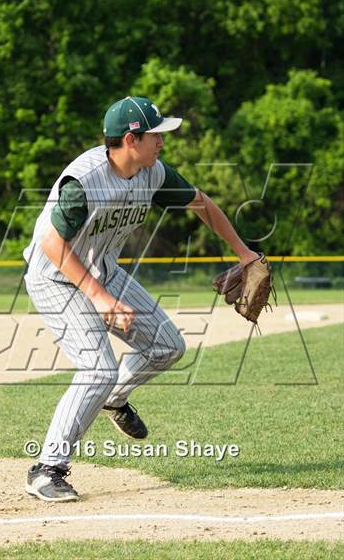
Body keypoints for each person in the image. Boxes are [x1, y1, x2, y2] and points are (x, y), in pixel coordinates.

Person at [23, 96, 258, 502]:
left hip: (104, 270)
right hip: (55, 277)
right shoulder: (86, 181)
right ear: (131, 139)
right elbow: (51, 244)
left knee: (168, 346)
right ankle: (47, 470)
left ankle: (115, 398)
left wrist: (244, 253)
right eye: (156, 135)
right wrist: (98, 297)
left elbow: (201, 203)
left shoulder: (153, 173)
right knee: (98, 368)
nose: (162, 142)